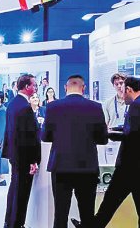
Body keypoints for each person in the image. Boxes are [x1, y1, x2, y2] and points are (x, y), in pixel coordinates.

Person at [72, 76, 140, 228]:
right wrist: (115, 130)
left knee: (114, 199)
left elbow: (132, 135)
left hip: (133, 165)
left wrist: (108, 135)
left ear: (128, 89)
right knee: (139, 202)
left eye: (123, 91)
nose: (122, 96)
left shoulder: (138, 105)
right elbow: (136, 129)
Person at [42, 75, 108, 228]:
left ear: (65, 87)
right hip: (87, 167)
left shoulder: (53, 107)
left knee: (60, 213)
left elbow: (45, 137)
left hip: (60, 166)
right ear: (83, 88)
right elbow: (102, 139)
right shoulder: (95, 107)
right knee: (87, 213)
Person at [2, 74, 41, 228]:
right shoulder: (25, 107)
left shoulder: (13, 103)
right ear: (27, 86)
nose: (36, 88)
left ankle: (10, 222)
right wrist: (33, 160)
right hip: (23, 157)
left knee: (15, 190)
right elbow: (29, 137)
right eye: (34, 85)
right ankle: (17, 223)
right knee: (22, 193)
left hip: (15, 154)